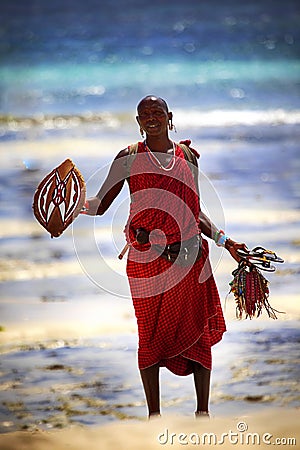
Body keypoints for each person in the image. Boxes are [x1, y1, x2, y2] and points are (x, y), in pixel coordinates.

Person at [83, 95, 247, 418]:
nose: (151, 118)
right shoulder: (128, 157)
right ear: (138, 121)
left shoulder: (187, 156)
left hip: (189, 260)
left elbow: (195, 210)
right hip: (147, 263)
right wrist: (73, 207)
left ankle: (203, 413)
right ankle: (153, 416)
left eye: (157, 112)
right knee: (150, 335)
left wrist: (224, 241)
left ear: (170, 116)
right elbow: (101, 204)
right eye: (145, 114)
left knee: (198, 330)